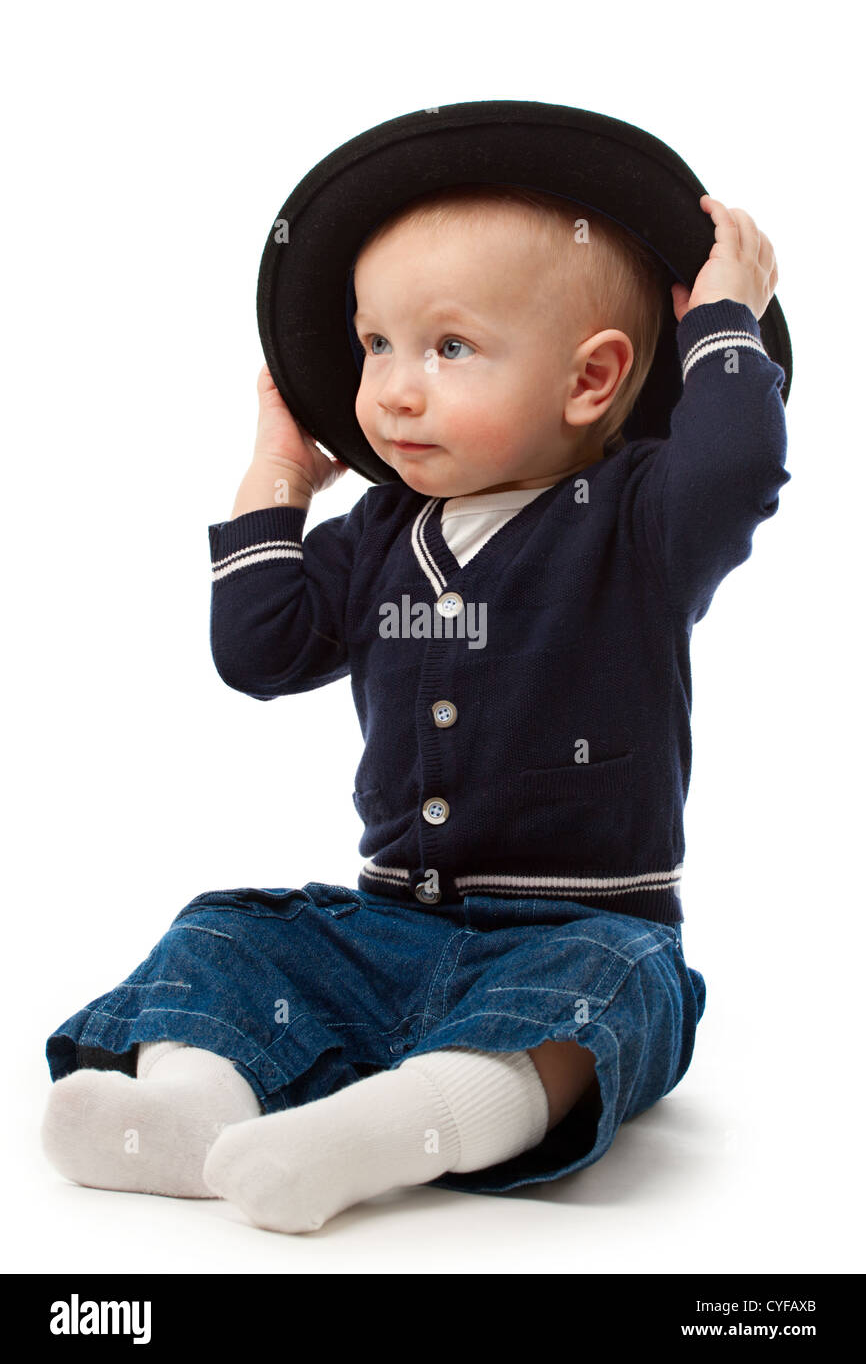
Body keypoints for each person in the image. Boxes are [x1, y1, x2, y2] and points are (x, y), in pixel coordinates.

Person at [41, 181, 788, 1234]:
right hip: (389, 928)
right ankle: (190, 1109)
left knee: (611, 996)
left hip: (574, 928)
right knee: (228, 933)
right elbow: (257, 651)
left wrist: (724, 318)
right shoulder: (378, 537)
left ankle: (393, 1125)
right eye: (374, 344)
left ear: (590, 377)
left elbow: (738, 466)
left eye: (446, 349)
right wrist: (278, 476)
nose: (391, 389)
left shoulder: (638, 522)